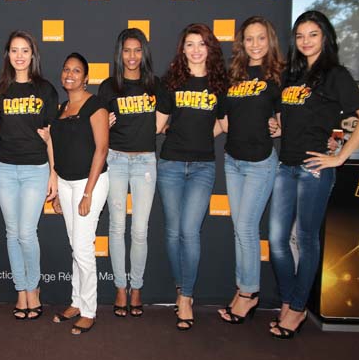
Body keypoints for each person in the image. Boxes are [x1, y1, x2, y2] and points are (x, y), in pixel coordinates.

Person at [268, 10, 359, 339]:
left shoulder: (335, 74)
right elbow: (294, 117)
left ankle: (296, 308)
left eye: (313, 34)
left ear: (325, 37)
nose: (306, 41)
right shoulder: (291, 75)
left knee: (305, 240)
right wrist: (279, 127)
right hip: (285, 166)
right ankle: (289, 301)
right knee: (277, 241)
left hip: (313, 170)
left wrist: (340, 157)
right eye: (300, 35)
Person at [155, 23, 227, 331]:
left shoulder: (219, 83)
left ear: (210, 48)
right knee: (173, 232)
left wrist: (201, 137)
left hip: (202, 167)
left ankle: (186, 297)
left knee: (189, 231)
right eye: (190, 44)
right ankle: (180, 287)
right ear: (182, 50)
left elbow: (224, 123)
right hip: (170, 164)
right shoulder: (172, 81)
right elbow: (158, 125)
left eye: (201, 44)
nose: (196, 50)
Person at [216, 16, 283, 324]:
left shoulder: (278, 76)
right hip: (233, 161)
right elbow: (224, 121)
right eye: (249, 38)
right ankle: (242, 288)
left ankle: (250, 293)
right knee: (239, 229)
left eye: (261, 38)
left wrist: (278, 127)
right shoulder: (233, 76)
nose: (255, 44)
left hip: (260, 163)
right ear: (241, 43)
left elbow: (288, 118)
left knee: (245, 227)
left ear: (270, 41)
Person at [0, 30, 59, 320]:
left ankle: (34, 288)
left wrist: (54, 173)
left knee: (26, 233)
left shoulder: (45, 90)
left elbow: (51, 135)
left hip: (35, 169)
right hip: (5, 169)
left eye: (25, 50)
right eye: (14, 50)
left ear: (33, 55)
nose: (19, 56)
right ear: (7, 55)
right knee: (11, 232)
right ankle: (21, 291)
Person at [97, 28, 160, 318]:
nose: (132, 56)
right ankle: (120, 288)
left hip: (145, 162)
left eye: (137, 50)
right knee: (116, 227)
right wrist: (105, 125)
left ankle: (137, 288)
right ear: (119, 54)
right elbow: (98, 125)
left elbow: (162, 123)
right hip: (117, 160)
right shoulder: (109, 87)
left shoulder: (155, 85)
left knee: (140, 230)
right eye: (126, 50)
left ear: (143, 52)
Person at [46, 53, 109, 335]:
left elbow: (102, 149)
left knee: (83, 248)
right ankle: (76, 301)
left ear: (86, 78)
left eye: (76, 71)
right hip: (67, 183)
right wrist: (58, 188)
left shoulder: (96, 105)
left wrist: (88, 193)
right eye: (66, 69)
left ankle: (89, 310)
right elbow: (55, 147)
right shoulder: (61, 108)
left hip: (90, 184)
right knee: (76, 245)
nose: (70, 74)